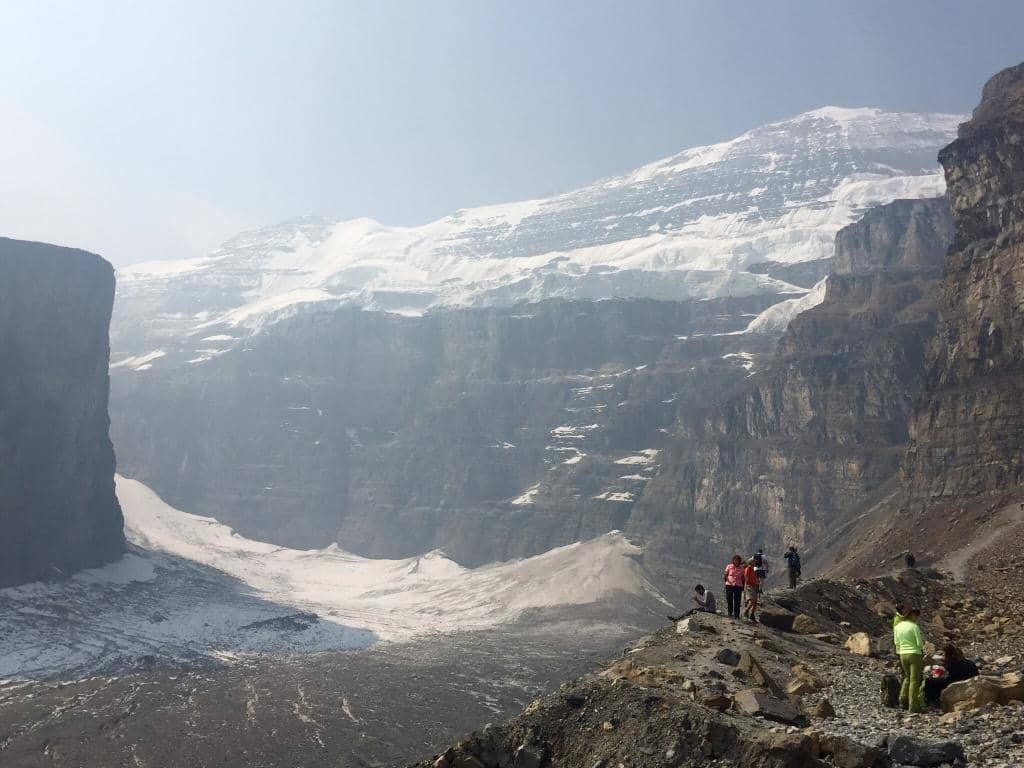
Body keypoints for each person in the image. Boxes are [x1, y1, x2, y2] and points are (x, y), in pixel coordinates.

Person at [893, 604, 926, 713]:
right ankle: (913, 706)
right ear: (911, 615)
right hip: (914, 654)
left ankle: (902, 700)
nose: (916, 617)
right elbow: (920, 644)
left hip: (902, 654)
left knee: (907, 677)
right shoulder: (914, 626)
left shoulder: (898, 627)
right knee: (914, 680)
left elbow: (896, 642)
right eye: (915, 615)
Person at [723, 555, 745, 619]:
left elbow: (743, 577)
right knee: (729, 597)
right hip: (729, 584)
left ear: (739, 561)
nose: (736, 561)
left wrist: (743, 586)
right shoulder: (729, 566)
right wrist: (725, 579)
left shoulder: (741, 568)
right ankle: (730, 612)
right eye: (735, 560)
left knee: (737, 600)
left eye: (737, 560)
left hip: (738, 585)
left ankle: (736, 615)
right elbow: (725, 573)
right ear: (733, 560)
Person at [742, 558, 760, 622]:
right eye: (753, 562)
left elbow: (753, 578)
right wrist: (746, 586)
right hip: (750, 586)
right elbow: (746, 577)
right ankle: (746, 611)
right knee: (752, 600)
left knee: (755, 602)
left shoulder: (752, 569)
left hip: (754, 586)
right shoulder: (748, 568)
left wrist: (757, 581)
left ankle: (752, 615)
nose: (755, 563)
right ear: (750, 562)